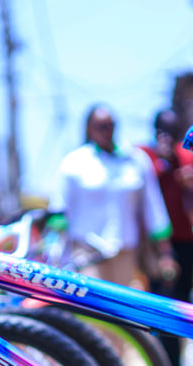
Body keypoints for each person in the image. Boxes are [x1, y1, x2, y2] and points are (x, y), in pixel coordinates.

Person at [53, 105, 176, 286]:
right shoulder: (74, 162)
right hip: (87, 250)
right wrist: (57, 256)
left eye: (110, 125)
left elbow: (153, 207)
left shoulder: (135, 160)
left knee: (118, 309)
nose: (106, 131)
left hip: (124, 249)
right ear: (89, 128)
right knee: (91, 303)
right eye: (100, 126)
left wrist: (165, 253)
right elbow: (58, 211)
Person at [141, 108, 193, 366]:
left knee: (181, 310)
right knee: (160, 312)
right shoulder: (147, 158)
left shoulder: (189, 157)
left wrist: (189, 183)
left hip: (185, 243)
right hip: (156, 246)